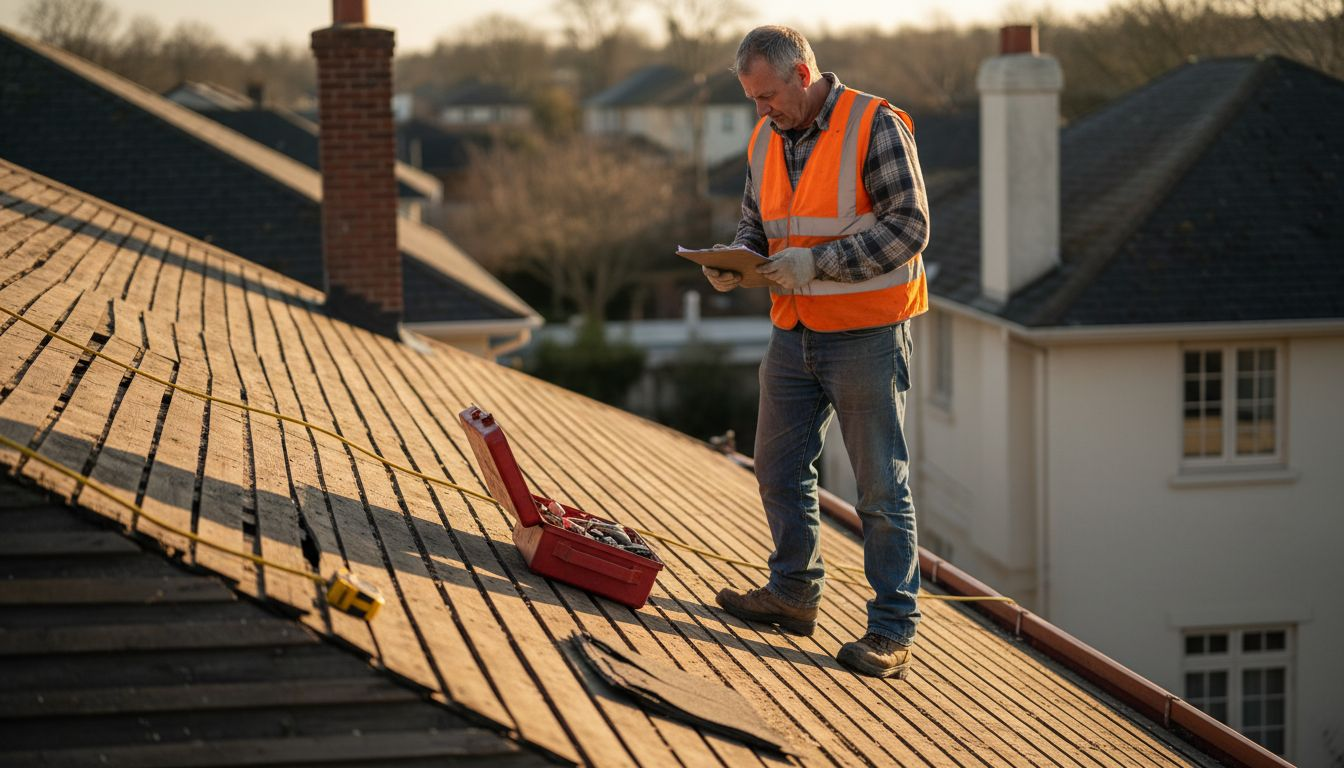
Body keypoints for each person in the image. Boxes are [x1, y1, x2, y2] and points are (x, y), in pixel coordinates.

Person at [706, 25, 930, 679]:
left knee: (880, 492)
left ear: (802, 76)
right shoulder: (764, 138)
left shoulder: (875, 124)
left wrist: (819, 265)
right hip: (793, 332)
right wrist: (735, 263)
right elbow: (758, 224)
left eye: (769, 95)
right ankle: (793, 593)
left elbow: (910, 227)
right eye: (753, 98)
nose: (761, 110)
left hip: (866, 333)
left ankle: (891, 631)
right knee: (776, 470)